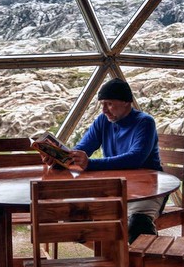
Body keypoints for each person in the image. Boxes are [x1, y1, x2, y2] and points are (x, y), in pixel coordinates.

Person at [42, 77, 166, 244]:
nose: (104, 110)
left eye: (109, 104)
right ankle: (110, 258)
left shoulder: (144, 122)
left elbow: (136, 158)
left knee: (138, 224)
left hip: (147, 188)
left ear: (126, 102)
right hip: (114, 187)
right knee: (75, 213)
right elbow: (82, 149)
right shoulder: (103, 121)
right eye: (102, 104)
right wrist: (58, 160)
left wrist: (91, 164)